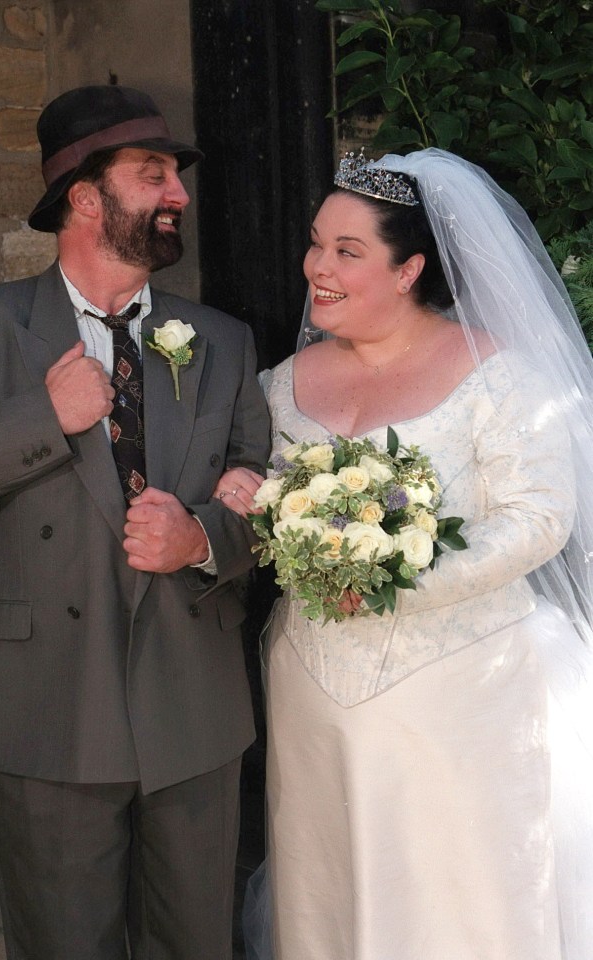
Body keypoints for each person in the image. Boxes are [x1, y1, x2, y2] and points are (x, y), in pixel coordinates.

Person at [213, 148, 593, 960]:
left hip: (463, 691)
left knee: (449, 895)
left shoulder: (501, 375)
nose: (317, 267)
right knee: (327, 885)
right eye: (316, 243)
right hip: (313, 686)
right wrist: (248, 504)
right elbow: (265, 506)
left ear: (408, 268)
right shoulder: (281, 384)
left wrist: (390, 582)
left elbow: (537, 520)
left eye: (348, 252)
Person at [0, 84, 270, 960]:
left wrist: (202, 541)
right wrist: (44, 416)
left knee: (195, 945)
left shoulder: (223, 338)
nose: (178, 193)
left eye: (175, 176)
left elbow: (271, 495)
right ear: (83, 196)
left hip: (194, 706)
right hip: (47, 707)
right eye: (153, 175)